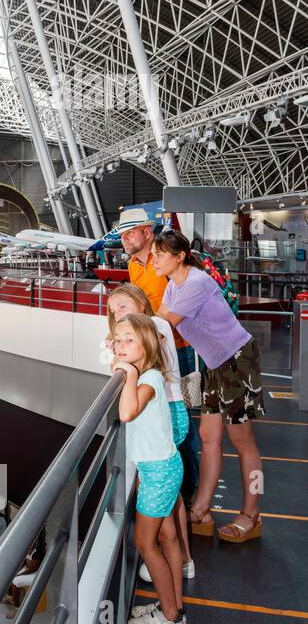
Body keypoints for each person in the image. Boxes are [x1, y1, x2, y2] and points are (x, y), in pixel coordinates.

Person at [152, 230, 266, 543]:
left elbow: (165, 324)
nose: (155, 259)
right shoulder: (173, 284)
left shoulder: (196, 282)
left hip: (237, 359)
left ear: (179, 257)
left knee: (243, 441)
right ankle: (201, 510)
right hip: (215, 365)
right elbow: (158, 319)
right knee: (208, 436)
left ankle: (252, 514)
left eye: (160, 254)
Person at [105, 284, 194, 579]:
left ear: (142, 305)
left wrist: (122, 351)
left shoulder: (153, 326)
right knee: (170, 492)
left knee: (171, 494)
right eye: (113, 309)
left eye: (124, 307)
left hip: (168, 409)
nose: (118, 314)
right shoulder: (145, 331)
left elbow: (127, 397)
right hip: (165, 409)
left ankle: (179, 557)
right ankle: (178, 556)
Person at [114, 208, 202, 499]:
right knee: (162, 417)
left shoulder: (161, 262)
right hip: (155, 353)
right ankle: (174, 490)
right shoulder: (134, 267)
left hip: (183, 352)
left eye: (130, 232)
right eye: (123, 233)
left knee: (183, 421)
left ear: (147, 232)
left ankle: (188, 490)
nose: (125, 238)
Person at [113, 313, 186, 624]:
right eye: (117, 339)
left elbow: (127, 412)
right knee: (163, 537)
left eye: (129, 340)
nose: (120, 345)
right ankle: (172, 605)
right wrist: (128, 369)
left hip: (159, 472)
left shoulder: (150, 378)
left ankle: (170, 618)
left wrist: (127, 374)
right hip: (158, 468)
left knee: (145, 543)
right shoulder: (147, 374)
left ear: (147, 344)